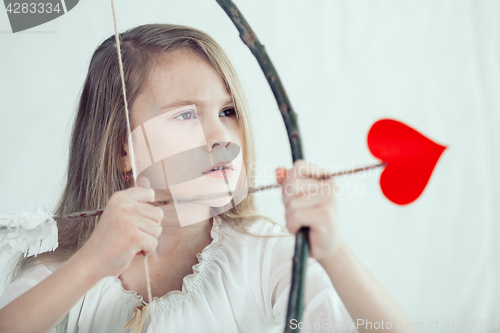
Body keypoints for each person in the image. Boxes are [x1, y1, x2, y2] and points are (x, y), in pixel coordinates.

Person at [0, 24, 416, 333]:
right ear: (123, 150)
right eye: (185, 114)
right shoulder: (65, 276)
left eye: (228, 112)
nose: (221, 136)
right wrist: (92, 263)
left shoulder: (265, 257)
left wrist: (332, 251)